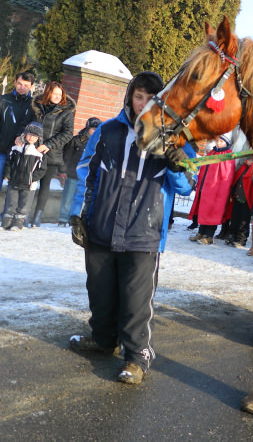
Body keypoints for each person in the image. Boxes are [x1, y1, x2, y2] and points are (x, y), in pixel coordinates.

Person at [67, 71, 194, 384]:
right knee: (99, 290)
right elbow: (87, 170)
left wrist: (178, 163)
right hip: (102, 225)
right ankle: (102, 338)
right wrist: (77, 214)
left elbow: (187, 185)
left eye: (151, 98)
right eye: (139, 96)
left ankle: (137, 357)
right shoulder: (107, 131)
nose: (143, 104)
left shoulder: (173, 137)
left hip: (144, 232)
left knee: (136, 300)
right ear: (129, 96)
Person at [27, 81, 75, 227]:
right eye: (54, 93)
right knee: (29, 182)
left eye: (60, 94)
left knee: (44, 185)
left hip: (52, 154)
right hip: (33, 151)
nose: (57, 97)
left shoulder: (66, 112)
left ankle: (37, 217)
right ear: (48, 92)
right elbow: (29, 125)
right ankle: (24, 213)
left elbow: (67, 133)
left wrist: (49, 144)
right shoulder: (37, 107)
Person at [188, 133, 235, 245]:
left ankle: (209, 236)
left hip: (217, 190)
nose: (218, 143)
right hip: (205, 188)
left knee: (212, 212)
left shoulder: (227, 155)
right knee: (203, 211)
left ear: (227, 143)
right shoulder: (212, 152)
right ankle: (201, 232)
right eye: (218, 140)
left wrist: (219, 189)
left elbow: (227, 175)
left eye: (221, 141)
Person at [57, 117, 101, 227]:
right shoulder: (76, 140)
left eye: (97, 129)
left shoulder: (100, 144)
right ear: (87, 128)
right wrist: (64, 171)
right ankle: (63, 218)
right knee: (68, 197)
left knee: (80, 198)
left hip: (87, 177)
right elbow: (67, 156)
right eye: (93, 129)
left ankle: (74, 219)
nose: (95, 131)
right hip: (72, 174)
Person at [1, 122, 46, 230]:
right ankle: (6, 221)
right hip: (14, 181)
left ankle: (18, 222)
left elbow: (42, 169)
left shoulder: (39, 152)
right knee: (11, 201)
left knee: (24, 204)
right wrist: (7, 174)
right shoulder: (17, 147)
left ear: (38, 138)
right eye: (29, 134)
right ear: (25, 134)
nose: (31, 138)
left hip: (29, 184)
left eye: (35, 136)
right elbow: (9, 162)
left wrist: (32, 178)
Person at [0, 71, 36, 191]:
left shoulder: (34, 105)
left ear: (31, 86)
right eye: (20, 84)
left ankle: (8, 211)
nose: (22, 87)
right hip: (2, 150)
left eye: (26, 85)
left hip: (21, 153)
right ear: (15, 82)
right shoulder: (3, 100)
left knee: (14, 191)